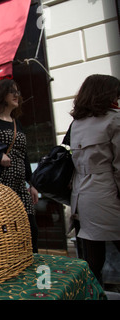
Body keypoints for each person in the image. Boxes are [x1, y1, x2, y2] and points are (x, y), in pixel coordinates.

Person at [69, 74, 120, 285]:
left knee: (91, 261)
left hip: (81, 196)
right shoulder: (114, 118)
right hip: (107, 191)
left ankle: (92, 294)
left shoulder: (77, 124)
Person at [0, 79, 39, 253]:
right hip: (0, 183)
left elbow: (24, 155)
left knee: (30, 229)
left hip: (20, 184)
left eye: (18, 92)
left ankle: (31, 268)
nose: (17, 95)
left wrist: (32, 184)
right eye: (12, 92)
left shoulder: (16, 122)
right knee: (5, 230)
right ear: (1, 95)